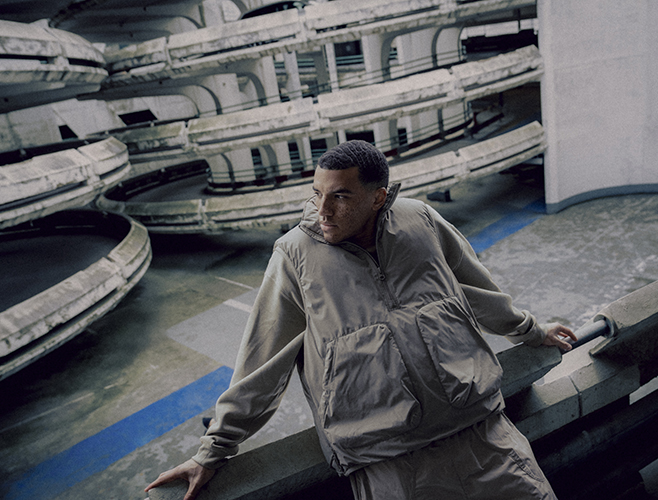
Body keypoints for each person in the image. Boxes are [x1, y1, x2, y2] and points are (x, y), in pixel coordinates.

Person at [146, 140, 576, 500]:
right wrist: (213, 450)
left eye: (340, 196)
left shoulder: (421, 221)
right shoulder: (294, 255)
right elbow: (263, 358)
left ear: (378, 197)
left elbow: (475, 290)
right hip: (389, 465)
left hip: (485, 436)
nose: (323, 210)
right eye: (317, 194)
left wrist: (531, 330)